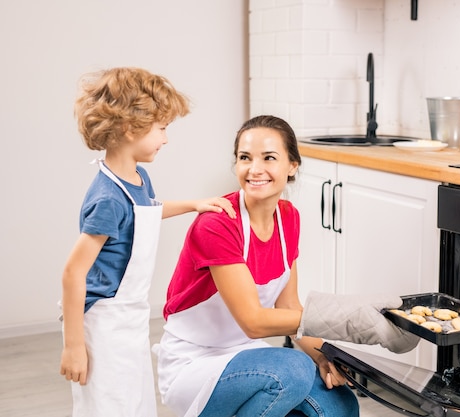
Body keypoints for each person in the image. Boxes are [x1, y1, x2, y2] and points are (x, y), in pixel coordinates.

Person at [155, 115, 420, 417]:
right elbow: (253, 322)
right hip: (194, 364)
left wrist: (323, 355)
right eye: (245, 158)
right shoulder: (218, 224)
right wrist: (348, 319)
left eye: (269, 157)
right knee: (292, 371)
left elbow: (288, 305)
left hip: (243, 356)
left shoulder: (288, 218)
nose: (254, 169)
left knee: (341, 407)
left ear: (292, 165)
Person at [59, 67, 236, 417]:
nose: (166, 138)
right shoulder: (108, 198)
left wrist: (194, 205)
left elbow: (147, 213)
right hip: (104, 324)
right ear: (130, 128)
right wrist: (74, 346)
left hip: (131, 319)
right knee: (109, 407)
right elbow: (72, 274)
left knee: (135, 403)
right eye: (162, 128)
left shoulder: (137, 178)